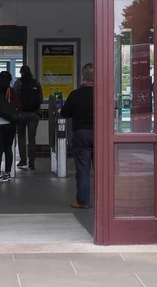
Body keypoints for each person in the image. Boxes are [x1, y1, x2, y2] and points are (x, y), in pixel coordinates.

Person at [60, 63, 95, 209]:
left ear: (82, 77)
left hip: (81, 134)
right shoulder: (103, 93)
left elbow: (64, 113)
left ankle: (83, 202)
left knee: (82, 169)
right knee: (102, 170)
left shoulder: (75, 94)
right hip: (99, 134)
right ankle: (104, 202)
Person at [13, 65, 43, 170]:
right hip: (34, 114)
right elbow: (40, 99)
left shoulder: (18, 83)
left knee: (21, 137)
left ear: (21, 73)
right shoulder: (36, 83)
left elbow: (13, 98)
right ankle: (32, 163)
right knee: (32, 139)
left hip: (21, 114)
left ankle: (23, 160)